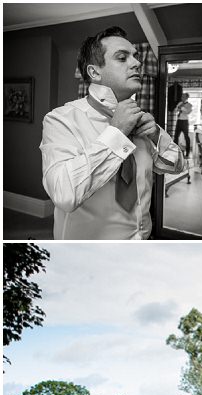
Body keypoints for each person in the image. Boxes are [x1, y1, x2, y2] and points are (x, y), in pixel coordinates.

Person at [40, 26, 184, 240]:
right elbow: (64, 194)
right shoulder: (61, 119)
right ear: (94, 72)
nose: (137, 63)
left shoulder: (141, 120)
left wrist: (157, 136)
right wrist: (116, 133)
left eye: (135, 57)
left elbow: (175, 165)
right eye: (122, 58)